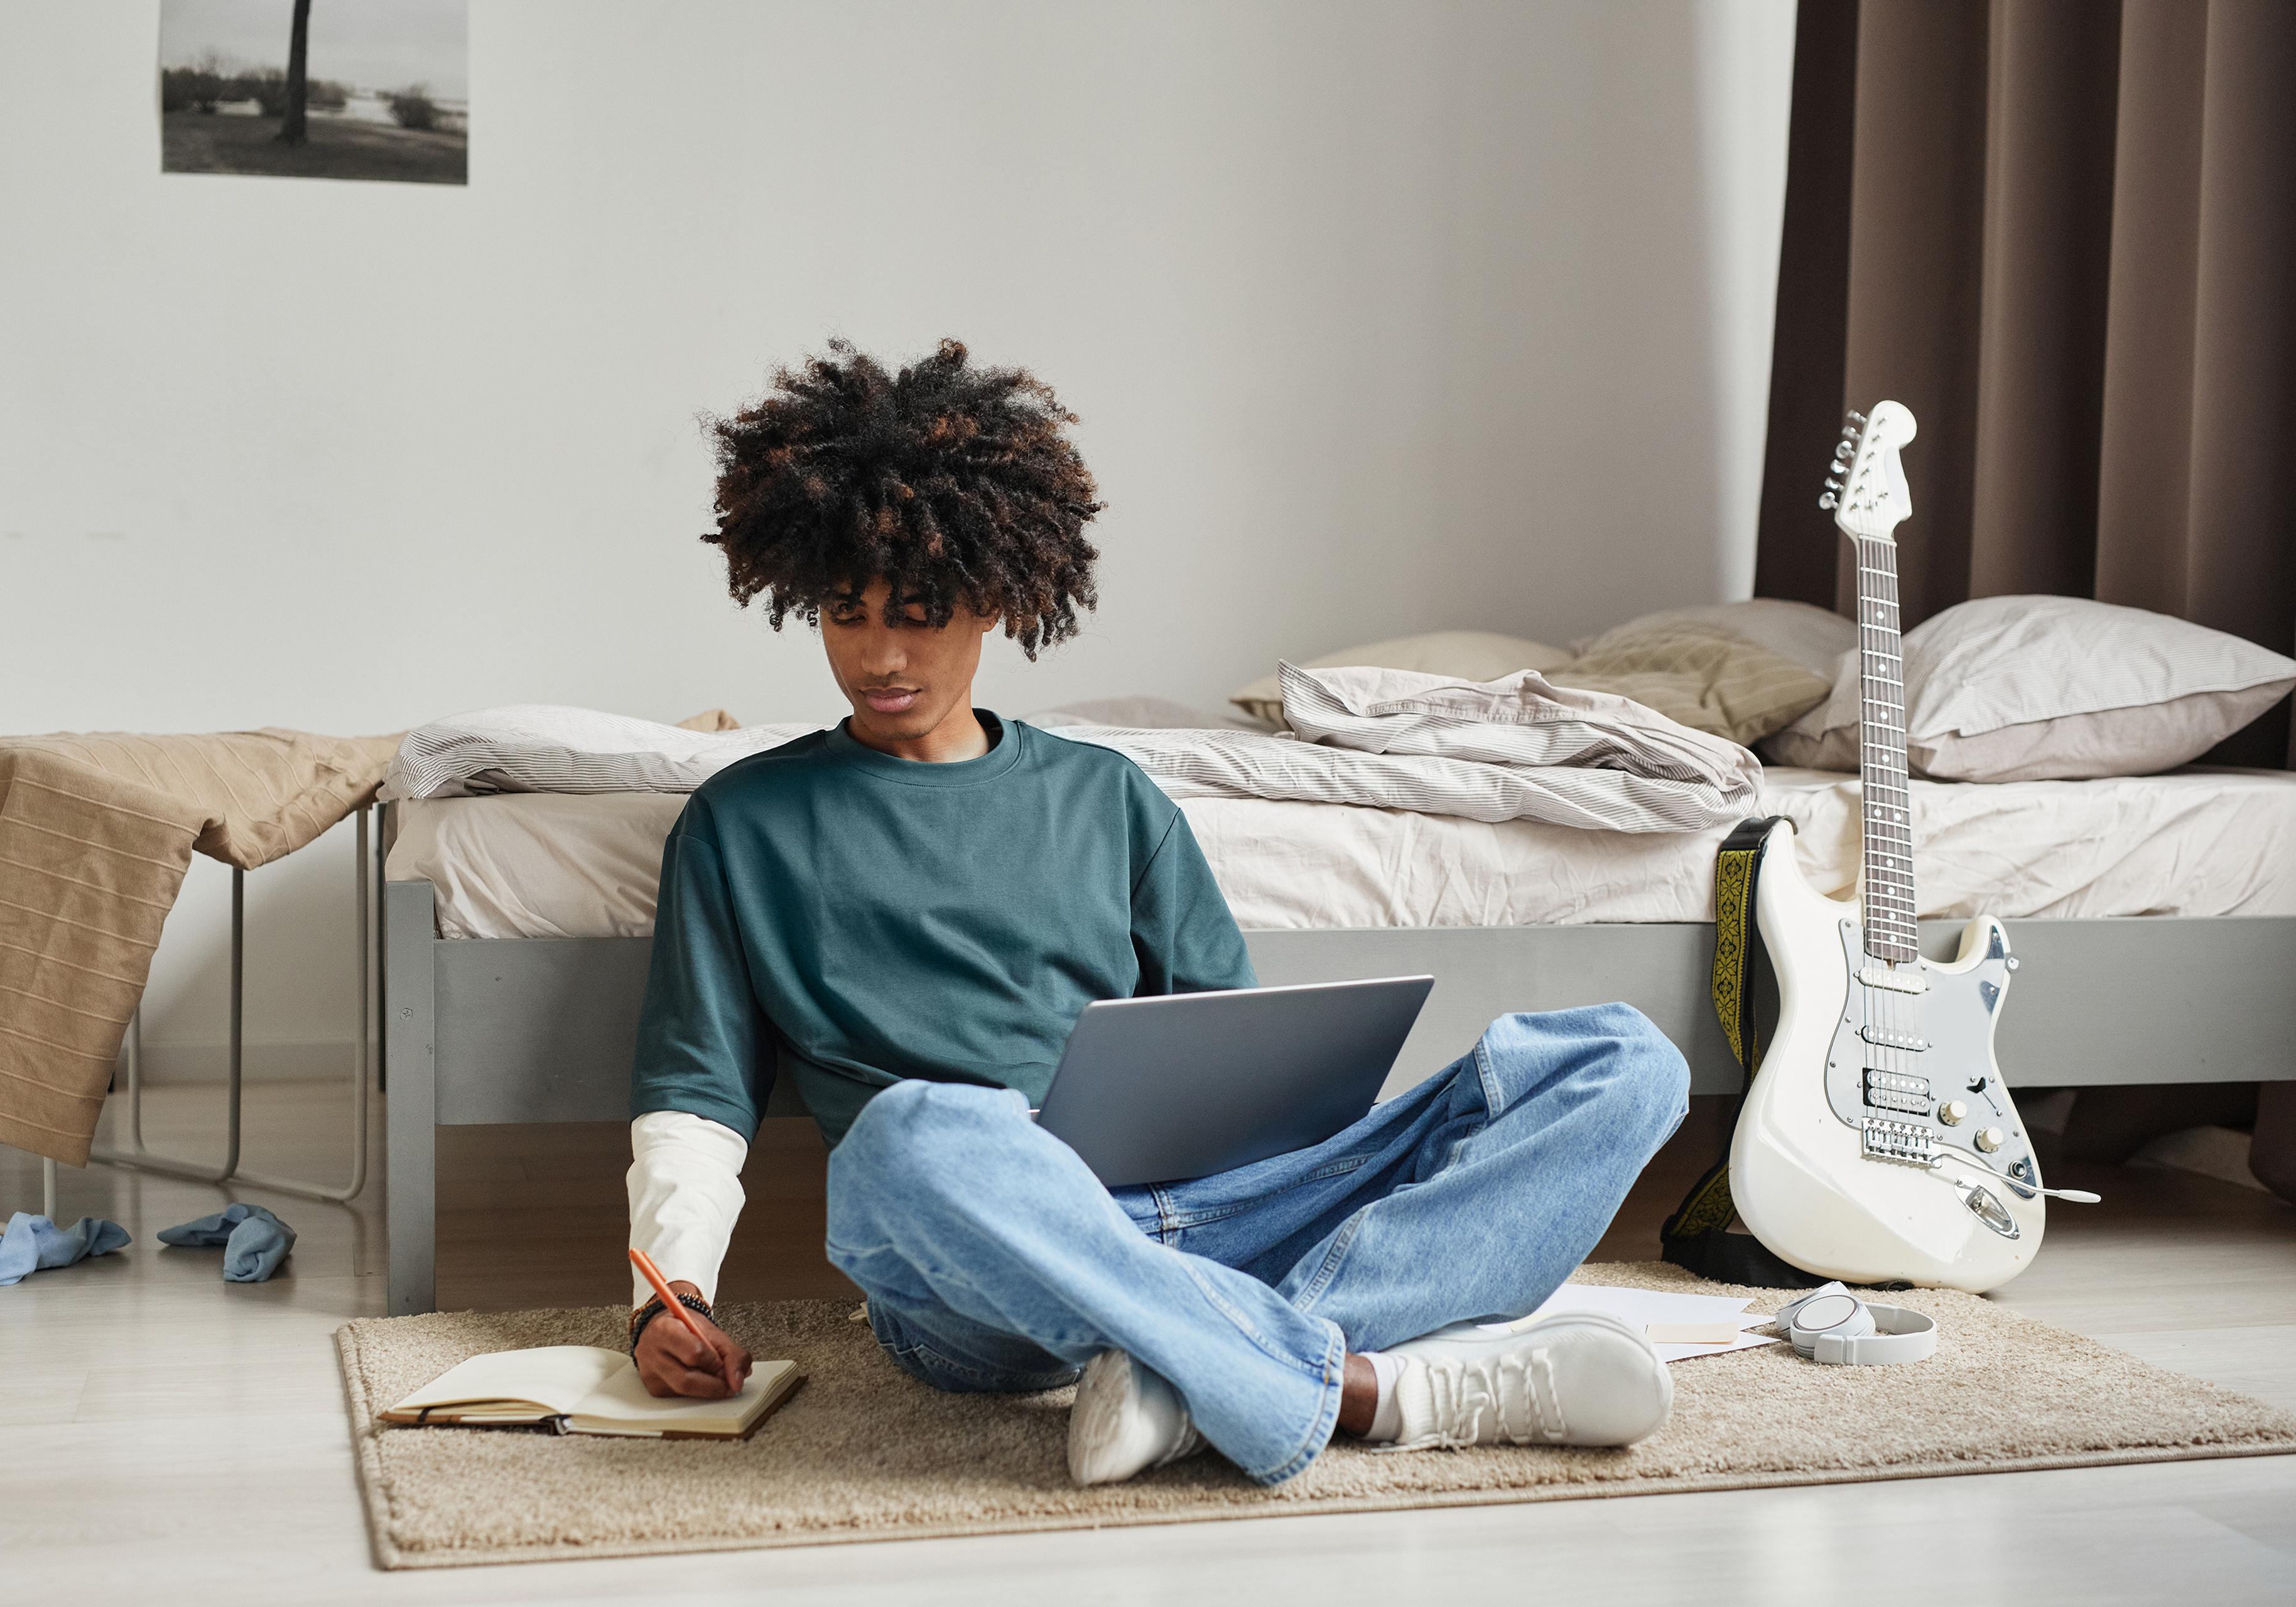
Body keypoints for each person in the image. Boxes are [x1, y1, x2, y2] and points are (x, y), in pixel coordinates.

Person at [625, 339, 1691, 1487]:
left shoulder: (1109, 797)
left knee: (1626, 1060)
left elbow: (1236, 1061)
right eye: (846, 614)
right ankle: (1370, 1388)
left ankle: (1180, 1373)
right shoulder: (742, 824)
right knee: (905, 1134)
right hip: (976, 1269)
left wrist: (1300, 1159)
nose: (880, 654)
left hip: (1214, 1214)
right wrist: (664, 1297)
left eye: (921, 612)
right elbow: (697, 1095)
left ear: (993, 599)